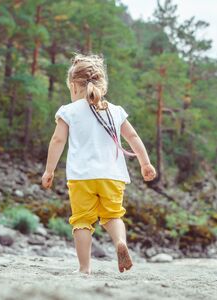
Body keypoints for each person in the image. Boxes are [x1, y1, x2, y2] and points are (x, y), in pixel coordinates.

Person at [41, 53, 156, 274]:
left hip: (81, 177)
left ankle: (84, 268)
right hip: (112, 176)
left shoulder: (68, 111)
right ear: (102, 84)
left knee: (82, 221)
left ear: (74, 86)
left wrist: (49, 170)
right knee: (113, 216)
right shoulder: (115, 110)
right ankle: (120, 243)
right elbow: (133, 137)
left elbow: (57, 140)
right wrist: (145, 163)